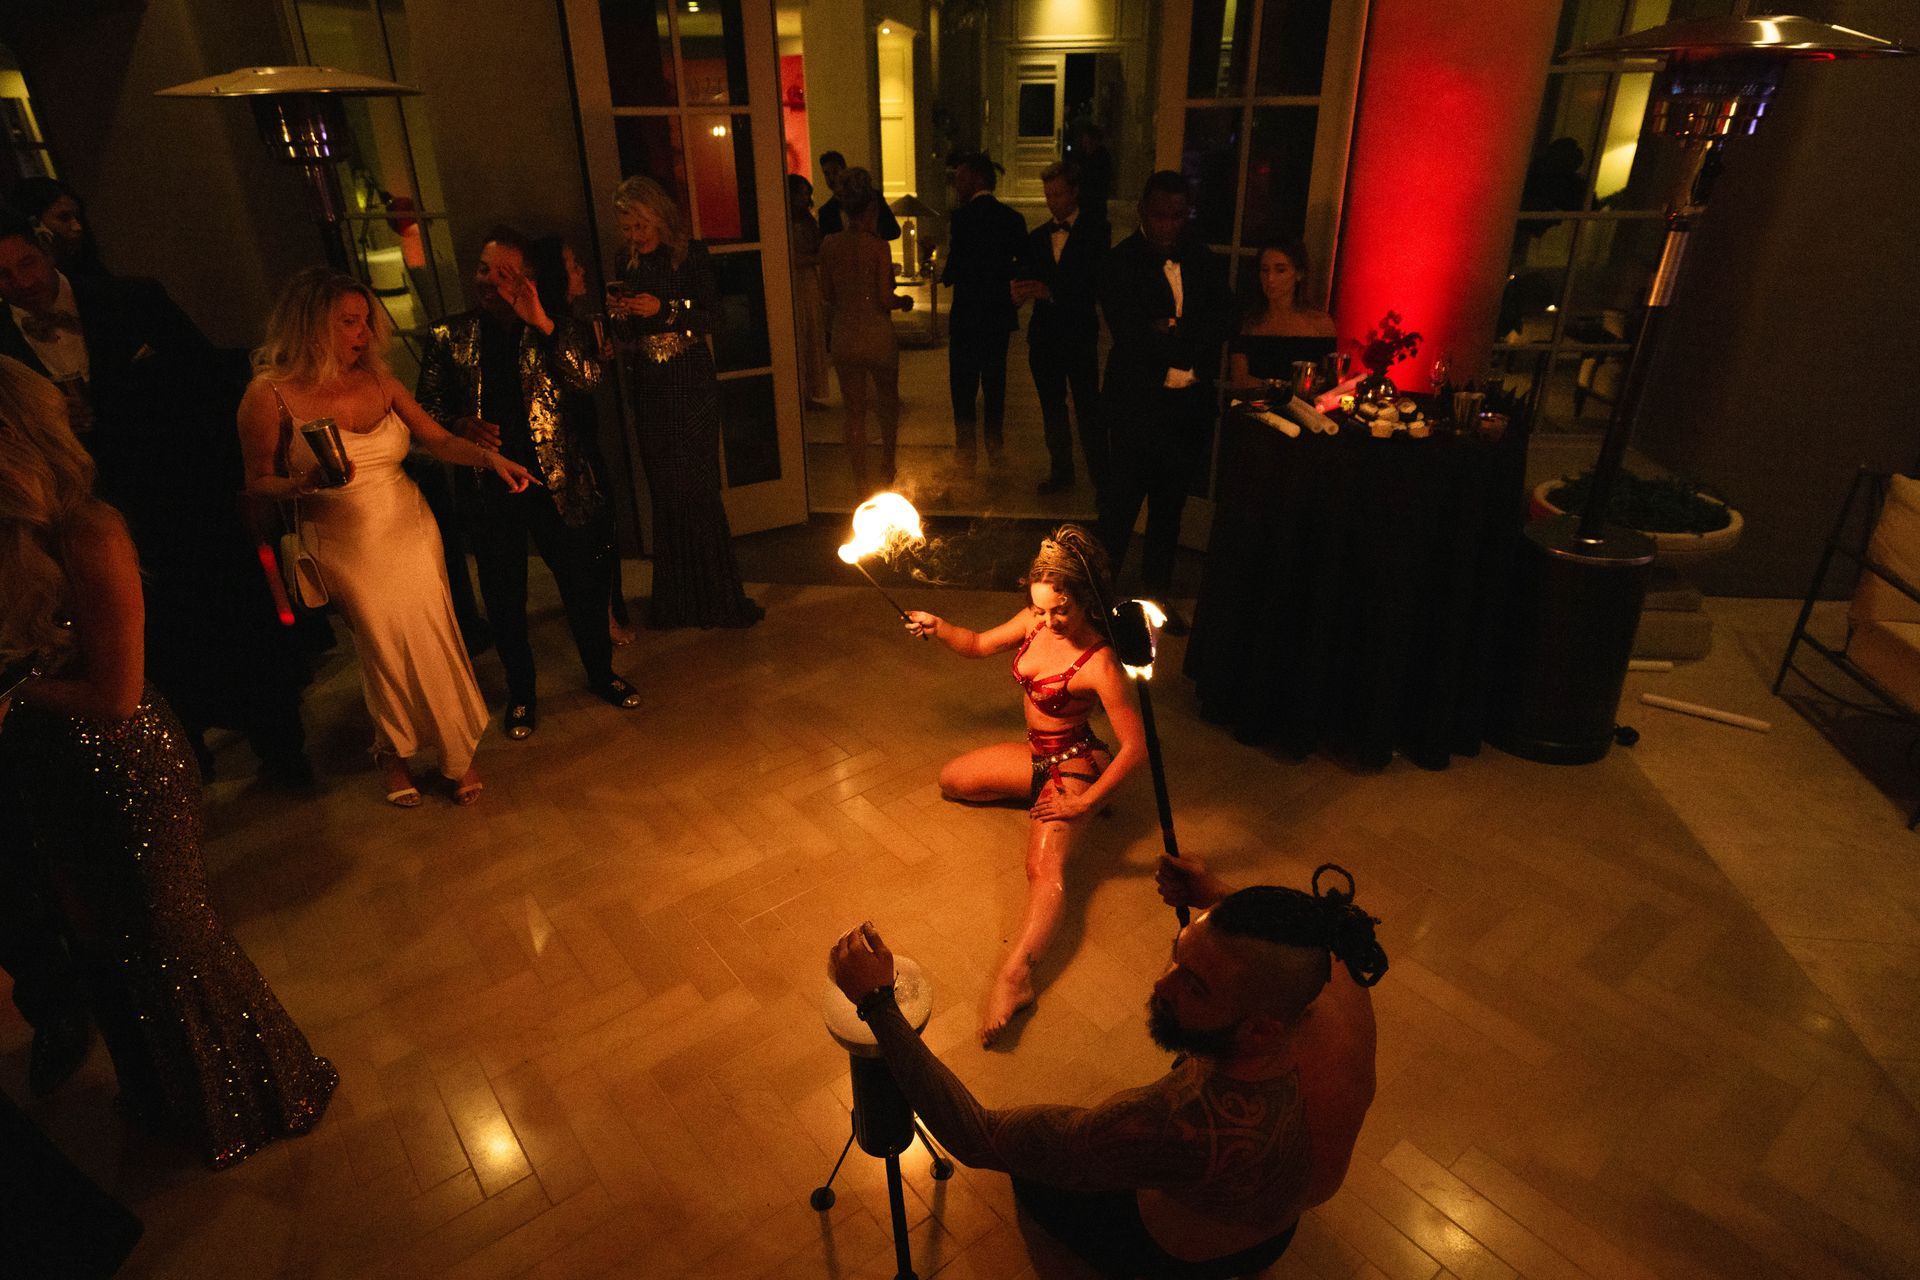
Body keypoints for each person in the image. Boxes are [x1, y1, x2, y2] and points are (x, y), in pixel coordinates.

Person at [0, 357, 338, 1167]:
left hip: (123, 768)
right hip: (46, 763)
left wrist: (15, 689)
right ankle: (166, 1097)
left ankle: (255, 1099)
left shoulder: (91, 531)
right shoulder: (15, 539)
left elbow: (116, 697)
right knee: (106, 947)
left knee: (172, 941)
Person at [826, 852, 1386, 1278]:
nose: (1162, 985)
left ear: (1262, 1029)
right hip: (1277, 1225)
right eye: (1178, 955)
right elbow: (1274, 944)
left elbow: (979, 1139)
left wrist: (878, 1004)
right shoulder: (1330, 966)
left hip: (1189, 1251)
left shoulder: (1177, 1124)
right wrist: (1214, 893)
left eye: (1195, 985)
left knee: (1032, 1172)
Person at [0, 210, 312, 784]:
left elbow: (206, 386)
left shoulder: (132, 299)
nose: (21, 283)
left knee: (236, 620)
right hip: (77, 514)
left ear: (46, 252)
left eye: (26, 264)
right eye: (3, 276)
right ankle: (185, 766)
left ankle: (282, 748)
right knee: (145, 648)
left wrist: (240, 484)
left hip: (183, 495)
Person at [241, 267, 534, 805]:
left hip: (407, 524)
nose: (364, 333)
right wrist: (302, 482)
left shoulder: (381, 381)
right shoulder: (269, 395)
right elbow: (257, 480)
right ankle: (394, 752)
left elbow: (438, 440)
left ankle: (454, 750)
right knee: (382, 643)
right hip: (340, 535)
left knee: (432, 633)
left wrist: (489, 459)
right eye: (349, 322)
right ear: (310, 324)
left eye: (366, 320)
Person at [901, 526, 1144, 1044]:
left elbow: (1137, 748)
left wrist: (1085, 802)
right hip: (1038, 757)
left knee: (1042, 867)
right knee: (953, 781)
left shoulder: (1100, 662)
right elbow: (977, 644)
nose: (1048, 621)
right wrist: (940, 627)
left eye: (1061, 610)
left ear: (1085, 599)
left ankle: (1016, 979)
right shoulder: (1034, 621)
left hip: (1075, 763)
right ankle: (1047, 804)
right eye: (1040, 609)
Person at [417, 226, 641, 742]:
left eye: (504, 273)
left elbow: (589, 379)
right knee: (504, 596)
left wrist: (541, 322)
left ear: (528, 280)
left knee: (583, 587)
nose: (489, 281)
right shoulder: (449, 336)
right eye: (483, 270)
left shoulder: (559, 327)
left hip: (557, 481)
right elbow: (424, 409)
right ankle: (522, 693)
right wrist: (458, 424)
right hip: (489, 484)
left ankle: (601, 673)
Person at [607, 175, 763, 629]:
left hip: (690, 380)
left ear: (658, 216)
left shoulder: (690, 254)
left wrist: (666, 310)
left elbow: (715, 316)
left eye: (640, 225)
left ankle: (715, 597)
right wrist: (620, 316)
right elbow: (628, 335)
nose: (635, 235)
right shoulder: (625, 260)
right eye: (627, 227)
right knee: (665, 489)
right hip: (650, 383)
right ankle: (678, 600)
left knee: (696, 485)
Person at [1096, 172, 1235, 631]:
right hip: (1136, 407)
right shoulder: (1120, 261)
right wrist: (1182, 335)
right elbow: (1130, 334)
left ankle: (1154, 602)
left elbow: (1224, 319)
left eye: (1178, 216)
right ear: (1142, 210)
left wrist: (1171, 329)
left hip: (1186, 411)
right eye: (1160, 215)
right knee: (1118, 511)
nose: (1168, 225)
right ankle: (1095, 604)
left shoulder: (1202, 258)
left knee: (1169, 513)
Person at [527, 234, 637, 647]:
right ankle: (601, 620)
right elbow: (578, 382)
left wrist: (595, 356)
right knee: (589, 538)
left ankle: (606, 612)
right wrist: (589, 364)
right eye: (573, 265)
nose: (582, 271)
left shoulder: (571, 322)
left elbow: (584, 376)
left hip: (585, 441)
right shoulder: (548, 325)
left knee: (600, 531)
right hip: (565, 452)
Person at [1015, 161, 1110, 496]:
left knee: (1087, 406)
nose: (1052, 201)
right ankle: (1061, 471)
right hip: (1044, 336)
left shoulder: (1096, 232)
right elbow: (1027, 276)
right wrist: (1019, 291)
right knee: (1051, 406)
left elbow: (1093, 283)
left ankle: (1101, 477)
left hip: (1078, 334)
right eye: (1048, 195)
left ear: (1074, 192)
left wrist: (1050, 291)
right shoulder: (1038, 237)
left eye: (1058, 194)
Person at [817, 168, 913, 493]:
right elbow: (885, 297)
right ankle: (887, 465)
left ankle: (860, 478)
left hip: (845, 333)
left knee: (854, 411)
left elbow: (827, 293)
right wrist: (903, 301)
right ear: (871, 207)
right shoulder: (879, 247)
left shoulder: (829, 245)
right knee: (887, 404)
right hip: (877, 334)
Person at [941, 152, 1028, 473]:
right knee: (994, 384)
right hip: (997, 315)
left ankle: (966, 454)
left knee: (963, 385)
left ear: (976, 179)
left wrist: (943, 273)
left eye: (961, 178)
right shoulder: (1012, 218)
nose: (956, 184)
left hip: (967, 314)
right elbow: (1024, 261)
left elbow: (955, 267)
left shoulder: (962, 218)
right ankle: (995, 447)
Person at [1227, 239, 1337, 389]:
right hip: (1256, 403)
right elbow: (1240, 380)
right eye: (1265, 270)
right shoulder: (1248, 323)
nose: (1270, 279)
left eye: (1280, 270)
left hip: (1305, 404)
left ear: (1299, 274)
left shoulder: (1321, 324)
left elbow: (1329, 381)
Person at [787, 174, 833, 410]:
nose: (804, 198)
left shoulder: (808, 220)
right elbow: (790, 258)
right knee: (799, 334)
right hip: (795, 280)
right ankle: (798, 392)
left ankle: (808, 393)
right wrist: (815, 259)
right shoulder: (784, 222)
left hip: (809, 280)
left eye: (806, 194)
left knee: (812, 332)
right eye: (800, 193)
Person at [6, 177, 106, 277]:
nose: (78, 227)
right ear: (35, 223)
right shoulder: (22, 279)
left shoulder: (90, 271)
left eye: (78, 217)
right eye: (64, 218)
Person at [817, 150, 901, 240]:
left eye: (835, 172)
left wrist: (871, 238)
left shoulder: (872, 198)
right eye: (826, 174)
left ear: (844, 171)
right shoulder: (825, 212)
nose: (831, 178)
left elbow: (894, 231)